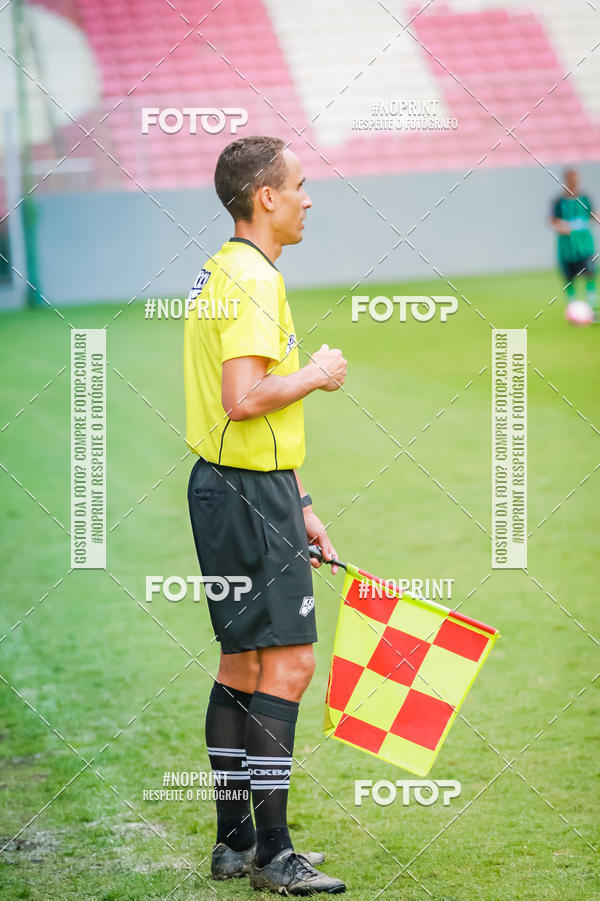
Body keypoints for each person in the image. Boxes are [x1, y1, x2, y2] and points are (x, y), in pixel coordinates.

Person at [184, 135, 347, 895]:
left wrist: (301, 502)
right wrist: (316, 374)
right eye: (300, 185)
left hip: (234, 486)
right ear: (266, 197)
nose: (309, 199)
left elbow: (253, 415)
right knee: (291, 663)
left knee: (242, 664)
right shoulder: (253, 278)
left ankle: (234, 842)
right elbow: (244, 398)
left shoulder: (223, 268)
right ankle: (275, 855)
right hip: (248, 491)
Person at [550, 168, 598, 321]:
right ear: (566, 180)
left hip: (585, 246)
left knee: (590, 274)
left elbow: (593, 215)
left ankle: (593, 307)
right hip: (567, 248)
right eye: (572, 179)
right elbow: (552, 222)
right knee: (569, 278)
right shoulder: (558, 202)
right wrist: (564, 227)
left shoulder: (584, 199)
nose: (574, 182)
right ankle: (572, 307)